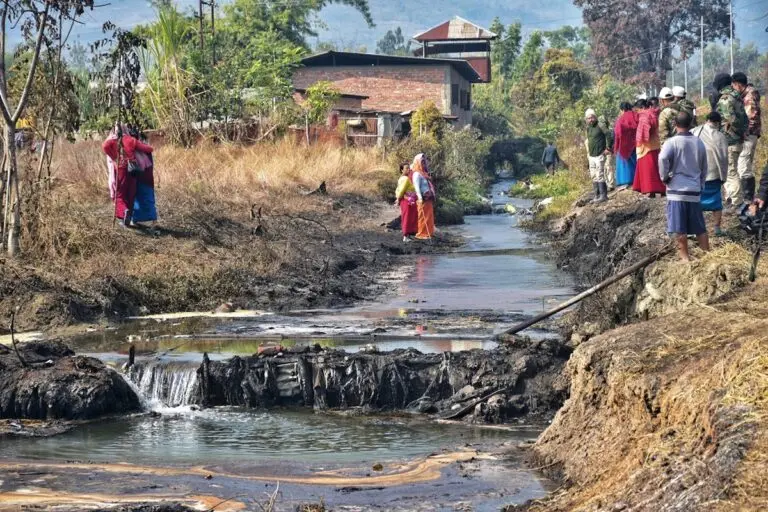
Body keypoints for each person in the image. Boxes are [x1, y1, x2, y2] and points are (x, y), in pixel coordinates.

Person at [659, 111, 710, 262]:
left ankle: (685, 258)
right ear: (690, 124)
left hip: (677, 192)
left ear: (675, 125)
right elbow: (704, 166)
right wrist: (700, 183)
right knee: (700, 227)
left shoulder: (671, 142)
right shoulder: (698, 142)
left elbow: (662, 158)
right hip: (694, 190)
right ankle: (708, 256)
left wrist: (665, 177)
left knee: (679, 227)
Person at [102, 124, 155, 227]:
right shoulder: (130, 140)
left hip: (121, 170)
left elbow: (105, 146)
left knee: (119, 195)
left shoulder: (112, 142)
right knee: (131, 194)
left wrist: (114, 157)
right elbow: (149, 149)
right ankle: (129, 216)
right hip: (133, 170)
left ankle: (124, 212)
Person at [714, 72, 748, 208]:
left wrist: (732, 133)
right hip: (737, 139)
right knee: (733, 170)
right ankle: (733, 198)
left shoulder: (725, 99)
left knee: (730, 172)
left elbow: (730, 120)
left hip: (729, 141)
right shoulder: (737, 95)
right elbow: (744, 118)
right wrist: (741, 133)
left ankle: (736, 202)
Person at [692, 112, 729, 236]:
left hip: (697, 173)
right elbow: (724, 158)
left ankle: (695, 228)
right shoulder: (721, 136)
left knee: (695, 202)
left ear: (707, 120)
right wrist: (724, 176)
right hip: (714, 174)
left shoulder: (694, 132)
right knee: (716, 203)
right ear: (718, 123)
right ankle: (717, 228)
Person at [732, 72, 761, 204]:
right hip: (749, 135)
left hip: (749, 135)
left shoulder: (749, 96)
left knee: (744, 167)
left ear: (738, 84)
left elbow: (751, 117)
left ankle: (748, 199)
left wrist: (744, 132)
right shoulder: (747, 94)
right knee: (742, 165)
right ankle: (747, 198)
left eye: (733, 85)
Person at [633, 98, 666, 197]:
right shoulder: (654, 113)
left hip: (647, 146)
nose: (637, 112)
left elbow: (645, 130)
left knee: (649, 170)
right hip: (655, 144)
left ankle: (651, 191)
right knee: (657, 168)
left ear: (642, 107)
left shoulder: (645, 115)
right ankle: (661, 190)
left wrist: (641, 137)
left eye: (638, 110)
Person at [129, 127, 158, 227]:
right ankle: (153, 221)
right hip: (147, 178)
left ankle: (135, 220)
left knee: (137, 199)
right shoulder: (145, 148)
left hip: (139, 179)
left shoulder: (132, 149)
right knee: (147, 199)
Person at [585, 108, 613, 202]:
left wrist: (608, 148)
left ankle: (603, 196)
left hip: (600, 154)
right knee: (593, 175)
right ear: (586, 119)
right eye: (588, 118)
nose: (590, 120)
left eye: (592, 117)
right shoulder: (588, 128)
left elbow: (609, 134)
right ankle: (596, 196)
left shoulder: (600, 125)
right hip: (591, 155)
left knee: (600, 174)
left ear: (595, 117)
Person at [613, 101, 638, 188]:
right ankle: (636, 178)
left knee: (624, 163)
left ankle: (626, 181)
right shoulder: (636, 115)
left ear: (622, 109)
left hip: (623, 144)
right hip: (635, 143)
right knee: (634, 161)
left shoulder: (621, 119)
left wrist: (616, 146)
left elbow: (618, 133)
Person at [412, 153, 435, 240]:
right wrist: (420, 197)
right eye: (422, 162)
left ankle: (428, 233)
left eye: (424, 162)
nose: (424, 163)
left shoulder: (424, 174)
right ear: (417, 162)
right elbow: (416, 187)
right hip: (422, 199)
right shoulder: (417, 174)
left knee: (429, 216)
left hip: (428, 199)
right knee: (423, 217)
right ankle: (421, 234)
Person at [394, 161, 418, 242]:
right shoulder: (405, 179)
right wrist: (398, 199)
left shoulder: (402, 178)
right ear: (402, 170)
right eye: (406, 168)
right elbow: (401, 190)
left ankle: (408, 235)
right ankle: (405, 236)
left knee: (410, 217)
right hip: (406, 201)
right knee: (407, 217)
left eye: (409, 168)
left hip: (408, 200)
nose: (409, 170)